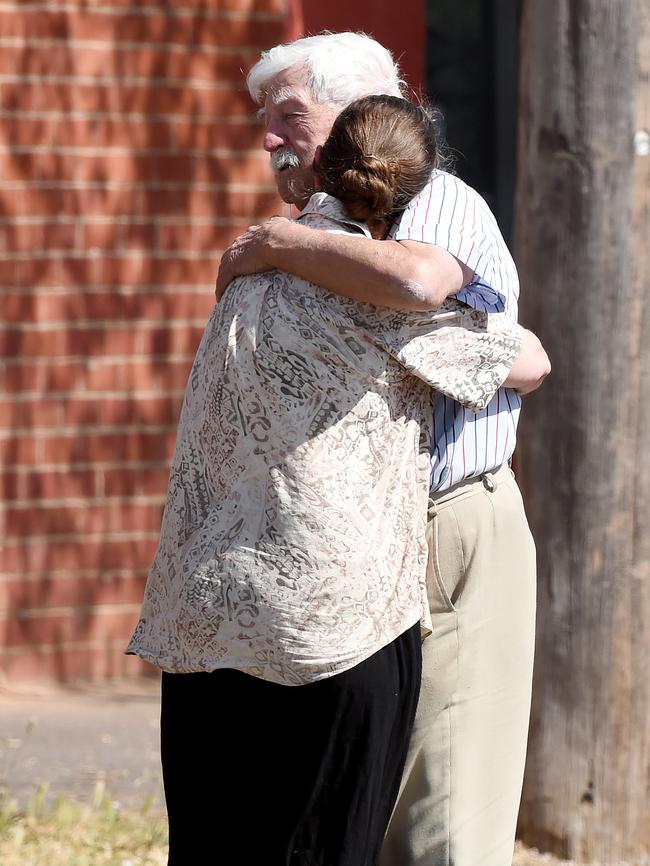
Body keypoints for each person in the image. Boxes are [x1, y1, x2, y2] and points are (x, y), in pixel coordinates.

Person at [128, 94, 530, 866]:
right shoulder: (385, 303)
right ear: (409, 195)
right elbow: (531, 364)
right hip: (330, 627)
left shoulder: (244, 266)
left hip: (205, 610)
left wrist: (277, 239)